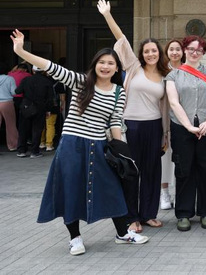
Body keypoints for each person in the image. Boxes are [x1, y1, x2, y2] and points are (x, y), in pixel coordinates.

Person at [11, 29, 148, 256]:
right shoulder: (80, 82)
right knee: (71, 190)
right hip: (72, 146)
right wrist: (21, 51)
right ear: (95, 64)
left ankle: (122, 234)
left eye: (111, 63)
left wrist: (123, 153)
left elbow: (115, 122)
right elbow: (51, 67)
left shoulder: (118, 92)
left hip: (100, 146)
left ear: (117, 68)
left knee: (112, 189)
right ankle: (75, 238)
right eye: (102, 62)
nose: (105, 66)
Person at [98, 0, 170, 232]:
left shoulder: (165, 76)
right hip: (131, 126)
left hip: (154, 127)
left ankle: (148, 214)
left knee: (151, 172)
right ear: (141, 54)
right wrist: (107, 15)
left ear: (159, 53)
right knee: (131, 171)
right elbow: (121, 39)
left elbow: (166, 107)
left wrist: (165, 134)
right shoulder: (134, 67)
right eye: (147, 51)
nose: (151, 54)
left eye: (154, 51)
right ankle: (131, 217)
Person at [165, 36, 206, 232]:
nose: (194, 53)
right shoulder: (173, 75)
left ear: (203, 53)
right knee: (184, 168)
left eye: (199, 50)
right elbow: (173, 102)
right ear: (184, 50)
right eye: (191, 49)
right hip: (181, 127)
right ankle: (184, 213)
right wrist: (188, 126)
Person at [160, 38, 184, 211]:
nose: (174, 52)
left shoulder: (187, 69)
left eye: (178, 49)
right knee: (164, 157)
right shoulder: (161, 70)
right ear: (167, 52)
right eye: (171, 49)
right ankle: (164, 193)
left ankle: (179, 194)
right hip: (163, 117)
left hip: (183, 119)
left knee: (181, 158)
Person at [16, 66, 52, 158]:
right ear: (43, 71)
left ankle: (21, 150)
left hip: (26, 106)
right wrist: (48, 110)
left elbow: (17, 91)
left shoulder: (26, 79)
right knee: (37, 130)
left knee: (23, 129)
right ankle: (34, 151)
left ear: (33, 70)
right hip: (40, 107)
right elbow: (50, 98)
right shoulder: (47, 81)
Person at [0, 62, 19, 151]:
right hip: (7, 102)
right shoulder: (9, 79)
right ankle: (12, 145)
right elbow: (14, 92)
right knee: (10, 125)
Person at [9, 63, 31, 129]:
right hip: (21, 98)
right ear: (25, 70)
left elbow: (12, 70)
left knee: (13, 116)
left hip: (11, 98)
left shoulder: (11, 74)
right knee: (22, 117)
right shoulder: (28, 75)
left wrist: (22, 63)